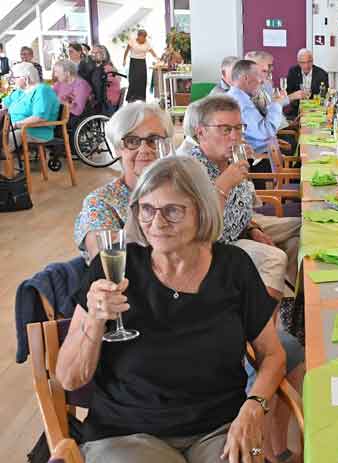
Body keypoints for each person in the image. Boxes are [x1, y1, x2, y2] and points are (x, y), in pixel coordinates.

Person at [57, 157, 287, 463]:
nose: (156, 222)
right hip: (126, 432)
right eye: (146, 209)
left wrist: (254, 407)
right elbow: (68, 378)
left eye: (172, 210)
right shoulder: (113, 270)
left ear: (202, 210)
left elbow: (273, 355)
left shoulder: (233, 267)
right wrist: (94, 321)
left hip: (220, 428)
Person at [188, 94, 301, 299]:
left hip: (243, 226)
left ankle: (301, 305)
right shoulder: (190, 170)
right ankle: (261, 318)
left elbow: (241, 206)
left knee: (303, 230)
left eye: (239, 128)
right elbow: (202, 231)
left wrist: (252, 229)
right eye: (225, 129)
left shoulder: (231, 160)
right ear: (201, 132)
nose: (235, 136)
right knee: (274, 258)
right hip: (219, 245)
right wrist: (223, 184)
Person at [74, 102, 174, 262]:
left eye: (153, 140)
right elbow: (107, 263)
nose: (144, 149)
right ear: (117, 148)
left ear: (167, 146)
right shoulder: (100, 202)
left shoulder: (183, 190)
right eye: (132, 141)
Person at [226, 59, 286, 172]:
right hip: (259, 162)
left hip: (265, 153)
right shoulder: (240, 103)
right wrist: (277, 104)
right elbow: (266, 132)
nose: (262, 81)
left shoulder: (237, 97)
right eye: (259, 76)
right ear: (246, 78)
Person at [3, 62, 60, 147]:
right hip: (13, 129)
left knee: (4, 139)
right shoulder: (20, 91)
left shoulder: (42, 91)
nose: (13, 80)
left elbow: (39, 117)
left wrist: (16, 125)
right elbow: (4, 105)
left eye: (15, 77)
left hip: (34, 131)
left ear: (25, 78)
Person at [284, 48, 328, 117]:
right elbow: (289, 93)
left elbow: (325, 96)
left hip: (316, 111)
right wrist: (296, 96)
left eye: (309, 62)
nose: (306, 65)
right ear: (298, 62)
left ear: (312, 61)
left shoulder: (322, 74)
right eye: (303, 63)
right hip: (297, 111)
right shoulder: (293, 72)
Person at [51, 59, 92, 127]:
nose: (55, 75)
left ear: (67, 73)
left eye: (57, 72)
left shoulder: (81, 85)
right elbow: (50, 97)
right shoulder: (59, 84)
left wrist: (59, 102)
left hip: (73, 118)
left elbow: (78, 110)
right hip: (60, 113)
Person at [122, 29, 158, 102]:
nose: (144, 38)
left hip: (142, 62)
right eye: (142, 37)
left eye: (145, 37)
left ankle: (141, 98)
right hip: (133, 62)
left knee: (142, 80)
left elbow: (152, 51)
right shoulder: (132, 41)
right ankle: (131, 97)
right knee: (133, 80)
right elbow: (126, 51)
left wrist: (157, 58)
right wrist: (124, 60)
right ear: (138, 36)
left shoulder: (147, 43)